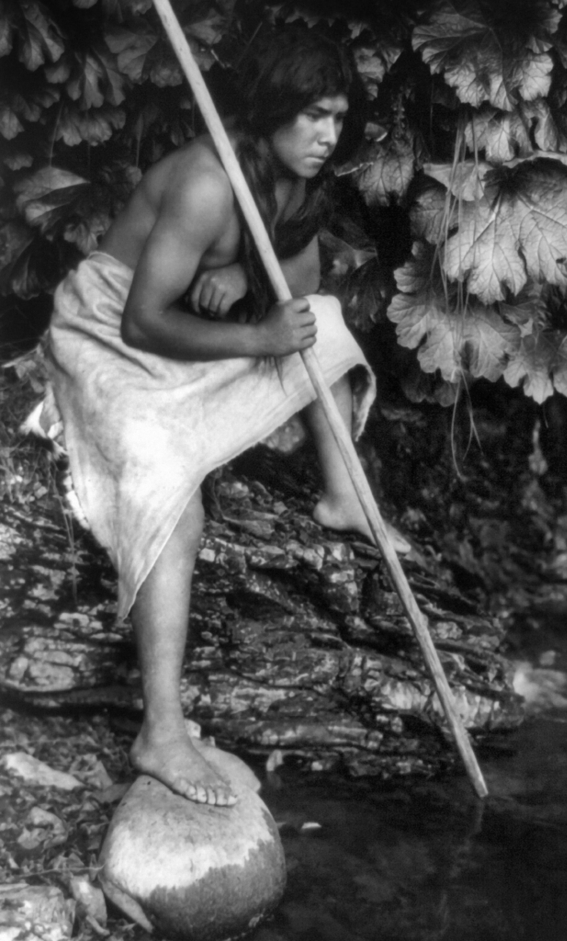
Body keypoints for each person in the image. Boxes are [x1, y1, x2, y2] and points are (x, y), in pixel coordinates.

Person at [41, 28, 408, 808]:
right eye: (311, 115)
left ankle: (344, 497)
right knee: (169, 485)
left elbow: (297, 304)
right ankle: (161, 730)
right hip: (108, 335)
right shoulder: (208, 183)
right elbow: (142, 320)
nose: (325, 135)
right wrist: (253, 333)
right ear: (272, 111)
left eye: (337, 118)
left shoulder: (297, 188)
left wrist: (247, 268)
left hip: (185, 341)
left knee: (329, 328)